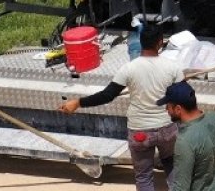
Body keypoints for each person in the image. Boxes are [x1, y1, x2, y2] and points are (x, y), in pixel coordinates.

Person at [59, 26, 183, 191]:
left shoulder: (129, 69)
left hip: (140, 132)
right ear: (160, 43)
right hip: (167, 129)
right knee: (171, 164)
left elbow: (107, 95)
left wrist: (78, 103)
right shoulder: (172, 67)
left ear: (141, 42)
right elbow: (185, 98)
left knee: (144, 176)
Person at [159, 81, 215, 191]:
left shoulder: (185, 141)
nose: (166, 109)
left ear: (178, 109)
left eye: (168, 106)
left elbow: (181, 187)